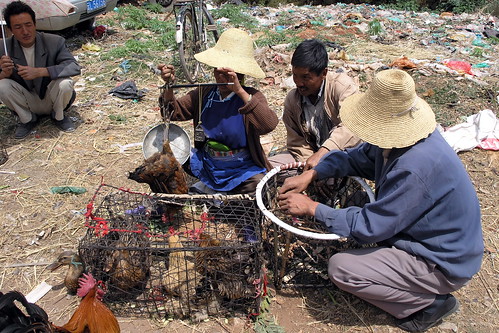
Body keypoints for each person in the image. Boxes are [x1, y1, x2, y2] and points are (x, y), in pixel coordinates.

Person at [278, 69, 483, 332]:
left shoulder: (413, 166)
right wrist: (315, 172)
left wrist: (313, 208)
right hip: (428, 239)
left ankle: (429, 303)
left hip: (441, 260)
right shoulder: (398, 141)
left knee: (342, 268)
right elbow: (356, 158)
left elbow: (372, 225)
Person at [157, 28, 278, 195]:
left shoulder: (251, 96)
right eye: (217, 72)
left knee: (258, 187)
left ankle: (209, 193)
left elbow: (268, 125)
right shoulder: (204, 93)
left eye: (228, 74)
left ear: (239, 75)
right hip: (208, 163)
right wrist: (169, 86)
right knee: (169, 161)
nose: (221, 79)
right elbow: (173, 113)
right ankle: (207, 188)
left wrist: (240, 92)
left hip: (240, 168)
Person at [269, 39, 361, 170]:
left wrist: (322, 154)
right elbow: (297, 142)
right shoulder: (293, 99)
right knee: (268, 169)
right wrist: (311, 167)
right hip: (310, 158)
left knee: (332, 179)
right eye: (295, 75)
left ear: (323, 73)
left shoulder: (342, 87)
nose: (299, 83)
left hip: (341, 155)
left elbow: (352, 126)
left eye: (306, 77)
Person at [0, 1, 81, 139]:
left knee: (65, 83)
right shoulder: (4, 48)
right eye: (18, 27)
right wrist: (3, 74)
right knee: (2, 85)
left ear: (35, 24)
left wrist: (40, 72)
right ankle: (27, 119)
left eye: (28, 25)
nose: (25, 31)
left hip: (52, 97)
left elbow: (73, 66)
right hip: (26, 101)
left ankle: (59, 117)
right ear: (10, 30)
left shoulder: (54, 41)